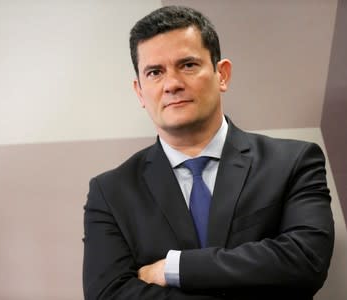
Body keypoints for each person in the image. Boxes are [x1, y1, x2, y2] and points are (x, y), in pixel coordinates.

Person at [82, 5, 334, 300]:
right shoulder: (110, 192)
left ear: (222, 74)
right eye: (155, 72)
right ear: (140, 91)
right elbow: (109, 294)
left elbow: (305, 260)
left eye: (187, 65)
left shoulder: (293, 162)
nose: (172, 84)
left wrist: (174, 268)